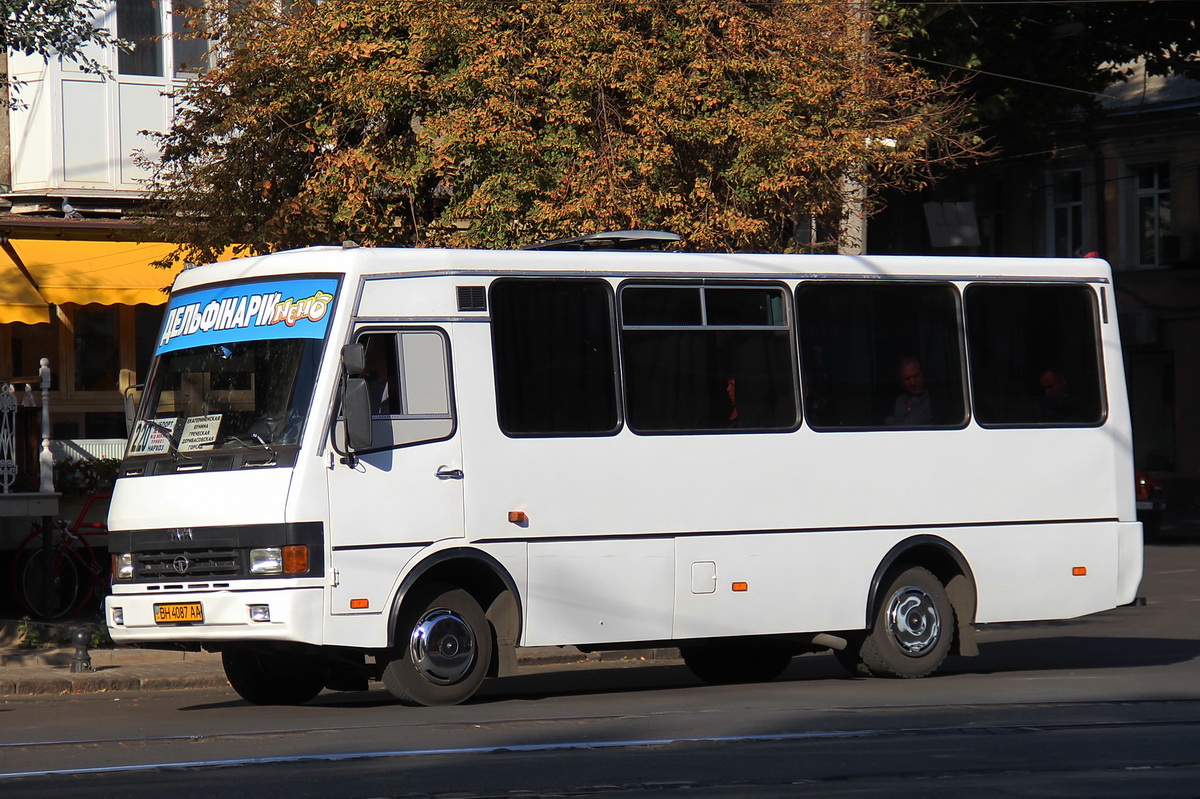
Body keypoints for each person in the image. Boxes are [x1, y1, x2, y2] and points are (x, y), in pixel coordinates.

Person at [885, 355, 932, 426]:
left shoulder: (931, 400)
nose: (913, 382)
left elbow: (910, 425)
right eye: (907, 379)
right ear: (901, 382)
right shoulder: (900, 401)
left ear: (922, 374)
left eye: (916, 376)